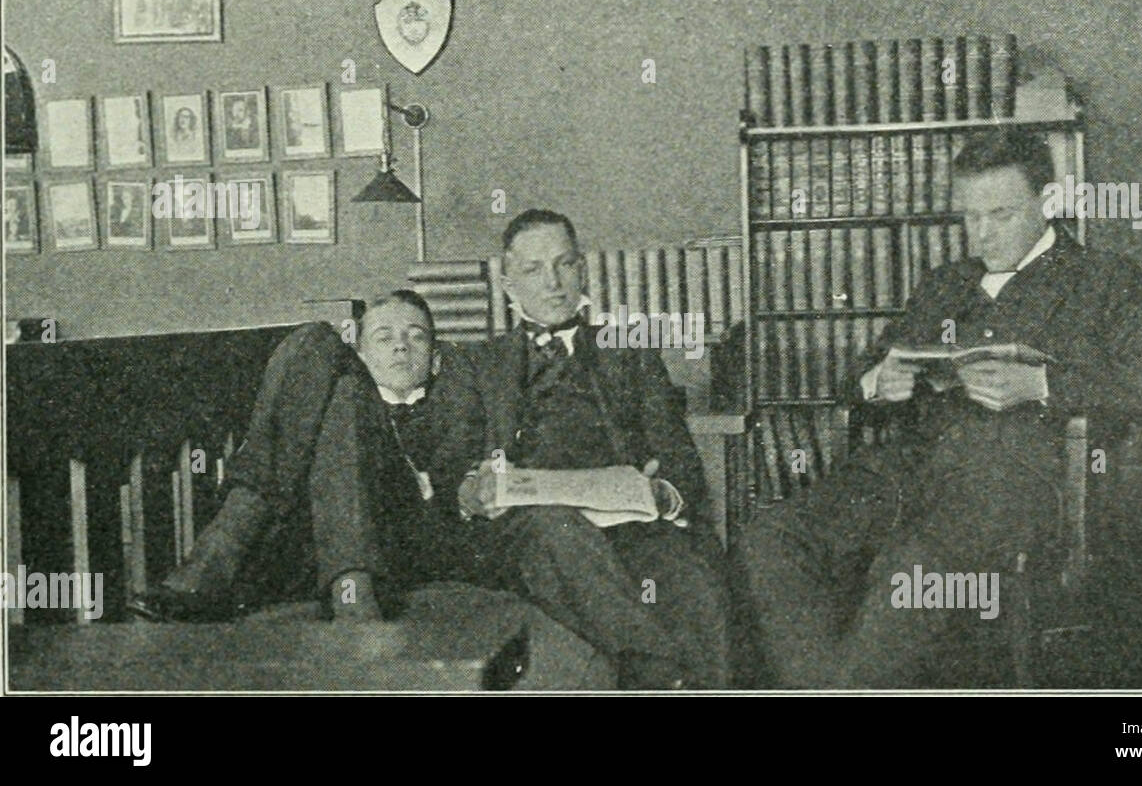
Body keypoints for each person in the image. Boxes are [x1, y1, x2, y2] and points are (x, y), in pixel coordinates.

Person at [734, 129, 1142, 688]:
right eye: (970, 217)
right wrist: (881, 381)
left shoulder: (1102, 280)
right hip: (909, 472)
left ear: (1048, 202)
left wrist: (1041, 384)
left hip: (1013, 484)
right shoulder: (945, 284)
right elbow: (853, 379)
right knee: (772, 538)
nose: (981, 234)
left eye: (1000, 215)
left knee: (911, 571)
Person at [455, 208, 728, 689]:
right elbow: (450, 471)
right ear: (507, 283)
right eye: (533, 270)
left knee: (692, 576)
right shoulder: (476, 365)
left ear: (583, 269)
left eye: (564, 264)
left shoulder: (630, 354)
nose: (554, 283)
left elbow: (681, 463)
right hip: (526, 531)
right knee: (557, 529)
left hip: (624, 525)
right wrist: (470, 490)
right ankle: (664, 674)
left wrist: (662, 493)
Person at [129, 290, 485, 622]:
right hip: (310, 550)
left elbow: (452, 488)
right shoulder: (337, 399)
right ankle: (351, 590)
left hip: (403, 540)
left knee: (341, 388)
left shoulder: (451, 406)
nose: (401, 348)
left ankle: (218, 552)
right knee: (317, 342)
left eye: (416, 336)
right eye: (384, 337)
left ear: (435, 360)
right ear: (358, 357)